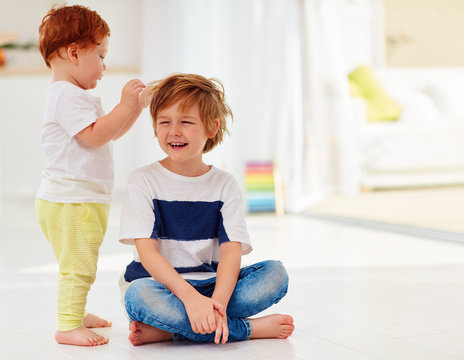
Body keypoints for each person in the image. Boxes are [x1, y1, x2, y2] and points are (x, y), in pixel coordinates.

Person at [118, 73, 295, 346]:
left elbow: (230, 252)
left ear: (212, 128)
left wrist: (218, 303)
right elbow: (147, 254)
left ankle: (172, 331)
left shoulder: (225, 184)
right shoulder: (143, 180)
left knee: (276, 274)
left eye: (186, 122)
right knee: (138, 295)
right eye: (164, 122)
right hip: (162, 288)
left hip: (213, 288)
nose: (173, 131)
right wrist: (189, 299)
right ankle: (247, 329)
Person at [35, 4, 151, 347]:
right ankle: (68, 325)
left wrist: (134, 109)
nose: (104, 64)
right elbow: (97, 134)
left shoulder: (72, 96)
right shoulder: (66, 96)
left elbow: (109, 133)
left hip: (73, 200)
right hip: (73, 201)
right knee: (80, 267)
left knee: (78, 262)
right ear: (74, 52)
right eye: (100, 55)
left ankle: (76, 311)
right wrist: (125, 105)